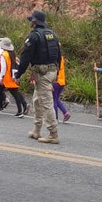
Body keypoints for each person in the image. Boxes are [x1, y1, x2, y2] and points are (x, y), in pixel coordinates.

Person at [16, 11, 61, 144]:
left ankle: (53, 134)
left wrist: (18, 74)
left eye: (32, 21)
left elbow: (25, 57)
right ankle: (37, 130)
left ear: (34, 22)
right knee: (37, 100)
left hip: (42, 73)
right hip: (51, 70)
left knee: (46, 103)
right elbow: (59, 54)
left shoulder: (34, 37)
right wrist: (57, 72)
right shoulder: (52, 34)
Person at [0, 37, 28, 117]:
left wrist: (1, 77)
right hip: (13, 75)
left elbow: (3, 67)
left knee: (13, 93)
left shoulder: (3, 55)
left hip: (6, 77)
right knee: (9, 92)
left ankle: (19, 111)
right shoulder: (12, 53)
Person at [53, 47, 71, 122]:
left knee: (53, 100)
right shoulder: (61, 58)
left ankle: (55, 118)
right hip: (62, 82)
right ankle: (65, 113)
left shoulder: (54, 59)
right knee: (56, 98)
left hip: (55, 81)